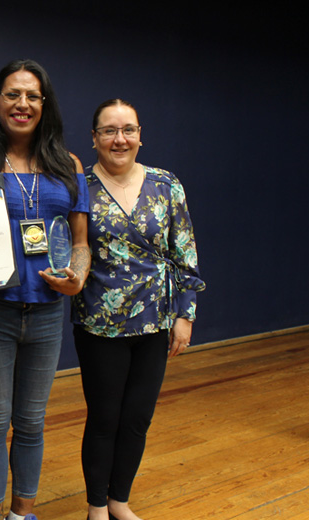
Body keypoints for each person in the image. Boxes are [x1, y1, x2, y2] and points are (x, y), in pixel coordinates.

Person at [0, 59, 91, 520]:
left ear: (44, 105)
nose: (22, 104)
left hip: (48, 312)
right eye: (13, 94)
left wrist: (77, 276)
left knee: (31, 421)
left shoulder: (68, 166)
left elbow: (81, 243)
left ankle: (22, 514)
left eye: (32, 95)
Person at [71, 99, 206, 520]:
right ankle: (96, 506)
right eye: (109, 131)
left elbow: (185, 253)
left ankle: (119, 501)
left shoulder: (166, 185)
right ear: (94, 138)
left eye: (128, 130)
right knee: (104, 418)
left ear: (140, 135)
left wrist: (185, 314)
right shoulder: (80, 187)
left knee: (137, 418)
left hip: (155, 321)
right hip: (100, 324)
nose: (120, 139)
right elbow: (70, 247)